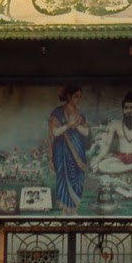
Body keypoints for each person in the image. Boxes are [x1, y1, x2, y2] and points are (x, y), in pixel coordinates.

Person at [46, 84, 91, 214]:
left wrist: (76, 125)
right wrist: (67, 125)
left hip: (78, 151)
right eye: (76, 96)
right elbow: (54, 132)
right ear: (68, 96)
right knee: (64, 178)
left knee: (78, 177)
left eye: (80, 97)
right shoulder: (57, 112)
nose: (78, 99)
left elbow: (86, 132)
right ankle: (64, 211)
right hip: (63, 150)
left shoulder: (80, 114)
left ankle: (75, 209)